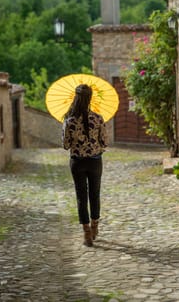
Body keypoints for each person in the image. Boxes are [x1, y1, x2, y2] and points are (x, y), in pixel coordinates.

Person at [62, 84, 108, 247]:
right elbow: (105, 142)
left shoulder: (69, 120)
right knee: (95, 194)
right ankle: (95, 227)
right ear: (89, 98)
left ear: (76, 98)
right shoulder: (98, 118)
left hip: (77, 162)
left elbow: (66, 145)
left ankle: (87, 232)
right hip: (95, 161)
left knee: (81, 196)